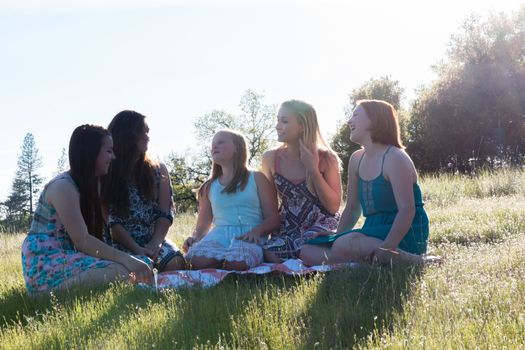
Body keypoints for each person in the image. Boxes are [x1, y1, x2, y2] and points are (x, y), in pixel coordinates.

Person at [21, 125, 153, 294]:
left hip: (67, 258)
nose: (113, 157)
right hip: (45, 263)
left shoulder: (90, 184)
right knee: (124, 271)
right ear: (91, 152)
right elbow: (82, 240)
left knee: (142, 263)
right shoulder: (63, 186)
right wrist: (127, 260)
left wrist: (132, 260)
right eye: (109, 151)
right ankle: (45, 295)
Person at [301, 100, 431, 265]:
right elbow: (353, 207)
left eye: (356, 115)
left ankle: (414, 260)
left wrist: (387, 247)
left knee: (344, 244)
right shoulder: (356, 159)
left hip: (405, 230)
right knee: (307, 250)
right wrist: (337, 233)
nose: (349, 121)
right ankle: (364, 260)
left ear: (375, 120)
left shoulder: (395, 158)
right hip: (372, 229)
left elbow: (407, 210)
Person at [183, 129, 280, 270]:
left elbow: (273, 219)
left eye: (220, 142)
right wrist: (195, 239)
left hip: (250, 235)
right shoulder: (209, 186)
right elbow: (202, 226)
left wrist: (257, 232)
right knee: (196, 262)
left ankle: (252, 256)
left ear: (237, 148)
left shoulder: (257, 178)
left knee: (237, 263)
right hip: (219, 236)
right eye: (213, 144)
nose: (214, 146)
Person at [101, 110, 185, 272]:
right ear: (128, 135)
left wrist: (155, 243)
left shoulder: (158, 169)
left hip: (152, 240)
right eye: (143, 132)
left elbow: (164, 213)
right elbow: (111, 223)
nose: (148, 137)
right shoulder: (106, 172)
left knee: (175, 263)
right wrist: (136, 249)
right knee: (128, 271)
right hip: (119, 243)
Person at [261, 99, 342, 262]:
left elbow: (333, 207)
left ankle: (315, 258)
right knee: (269, 253)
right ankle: (304, 262)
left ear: (303, 126)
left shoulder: (327, 158)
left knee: (308, 249)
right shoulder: (270, 158)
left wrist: (313, 168)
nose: (277, 126)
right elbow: (268, 207)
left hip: (321, 226)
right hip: (287, 228)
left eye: (284, 121)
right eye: (278, 120)